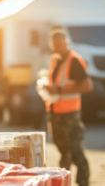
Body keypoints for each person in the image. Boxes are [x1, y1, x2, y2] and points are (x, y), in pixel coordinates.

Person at [41, 28, 93, 186]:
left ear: (66, 42)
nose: (56, 47)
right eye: (53, 44)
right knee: (64, 152)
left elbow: (87, 86)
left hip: (71, 114)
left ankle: (83, 182)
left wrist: (60, 90)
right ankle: (64, 182)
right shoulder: (54, 60)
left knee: (76, 152)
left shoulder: (74, 60)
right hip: (55, 112)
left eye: (59, 44)